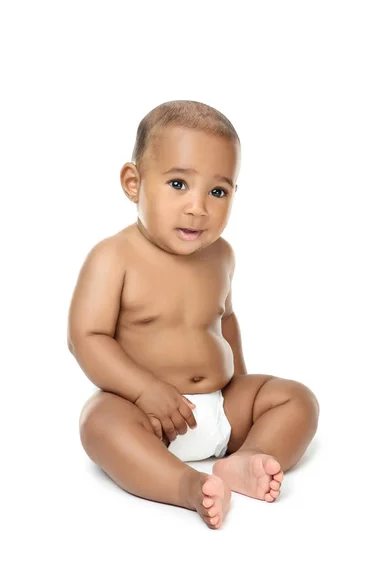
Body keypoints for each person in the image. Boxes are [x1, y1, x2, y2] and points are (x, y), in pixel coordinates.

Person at [67, 100, 320, 530]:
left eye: (218, 191)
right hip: (147, 416)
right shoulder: (114, 256)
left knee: (298, 400)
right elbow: (86, 337)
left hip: (219, 406)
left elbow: (226, 321)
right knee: (98, 423)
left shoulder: (221, 255)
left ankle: (244, 460)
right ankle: (184, 485)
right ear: (134, 182)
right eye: (179, 184)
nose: (198, 207)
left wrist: (241, 388)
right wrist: (145, 390)